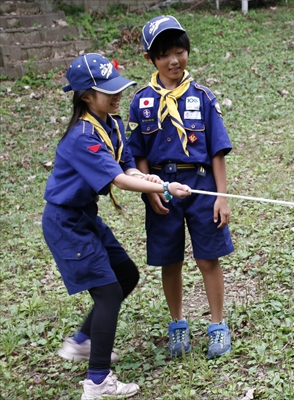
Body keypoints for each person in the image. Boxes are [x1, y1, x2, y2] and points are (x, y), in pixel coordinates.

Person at [42, 53, 191, 399]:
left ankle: (82, 341)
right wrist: (164, 187)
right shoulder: (82, 137)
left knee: (125, 274)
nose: (116, 95)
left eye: (116, 87)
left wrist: (149, 177)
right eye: (106, 91)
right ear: (85, 97)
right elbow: (120, 181)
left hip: (84, 217)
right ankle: (97, 383)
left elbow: (127, 168)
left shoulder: (111, 123)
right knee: (108, 291)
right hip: (66, 223)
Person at [126, 15, 234, 359]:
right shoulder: (141, 101)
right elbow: (138, 153)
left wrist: (221, 196)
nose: (174, 60)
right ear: (150, 59)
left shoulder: (202, 96)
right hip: (161, 189)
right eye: (164, 54)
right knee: (169, 261)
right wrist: (150, 189)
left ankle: (217, 326)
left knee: (207, 258)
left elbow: (217, 149)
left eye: (180, 50)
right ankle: (178, 325)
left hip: (200, 185)